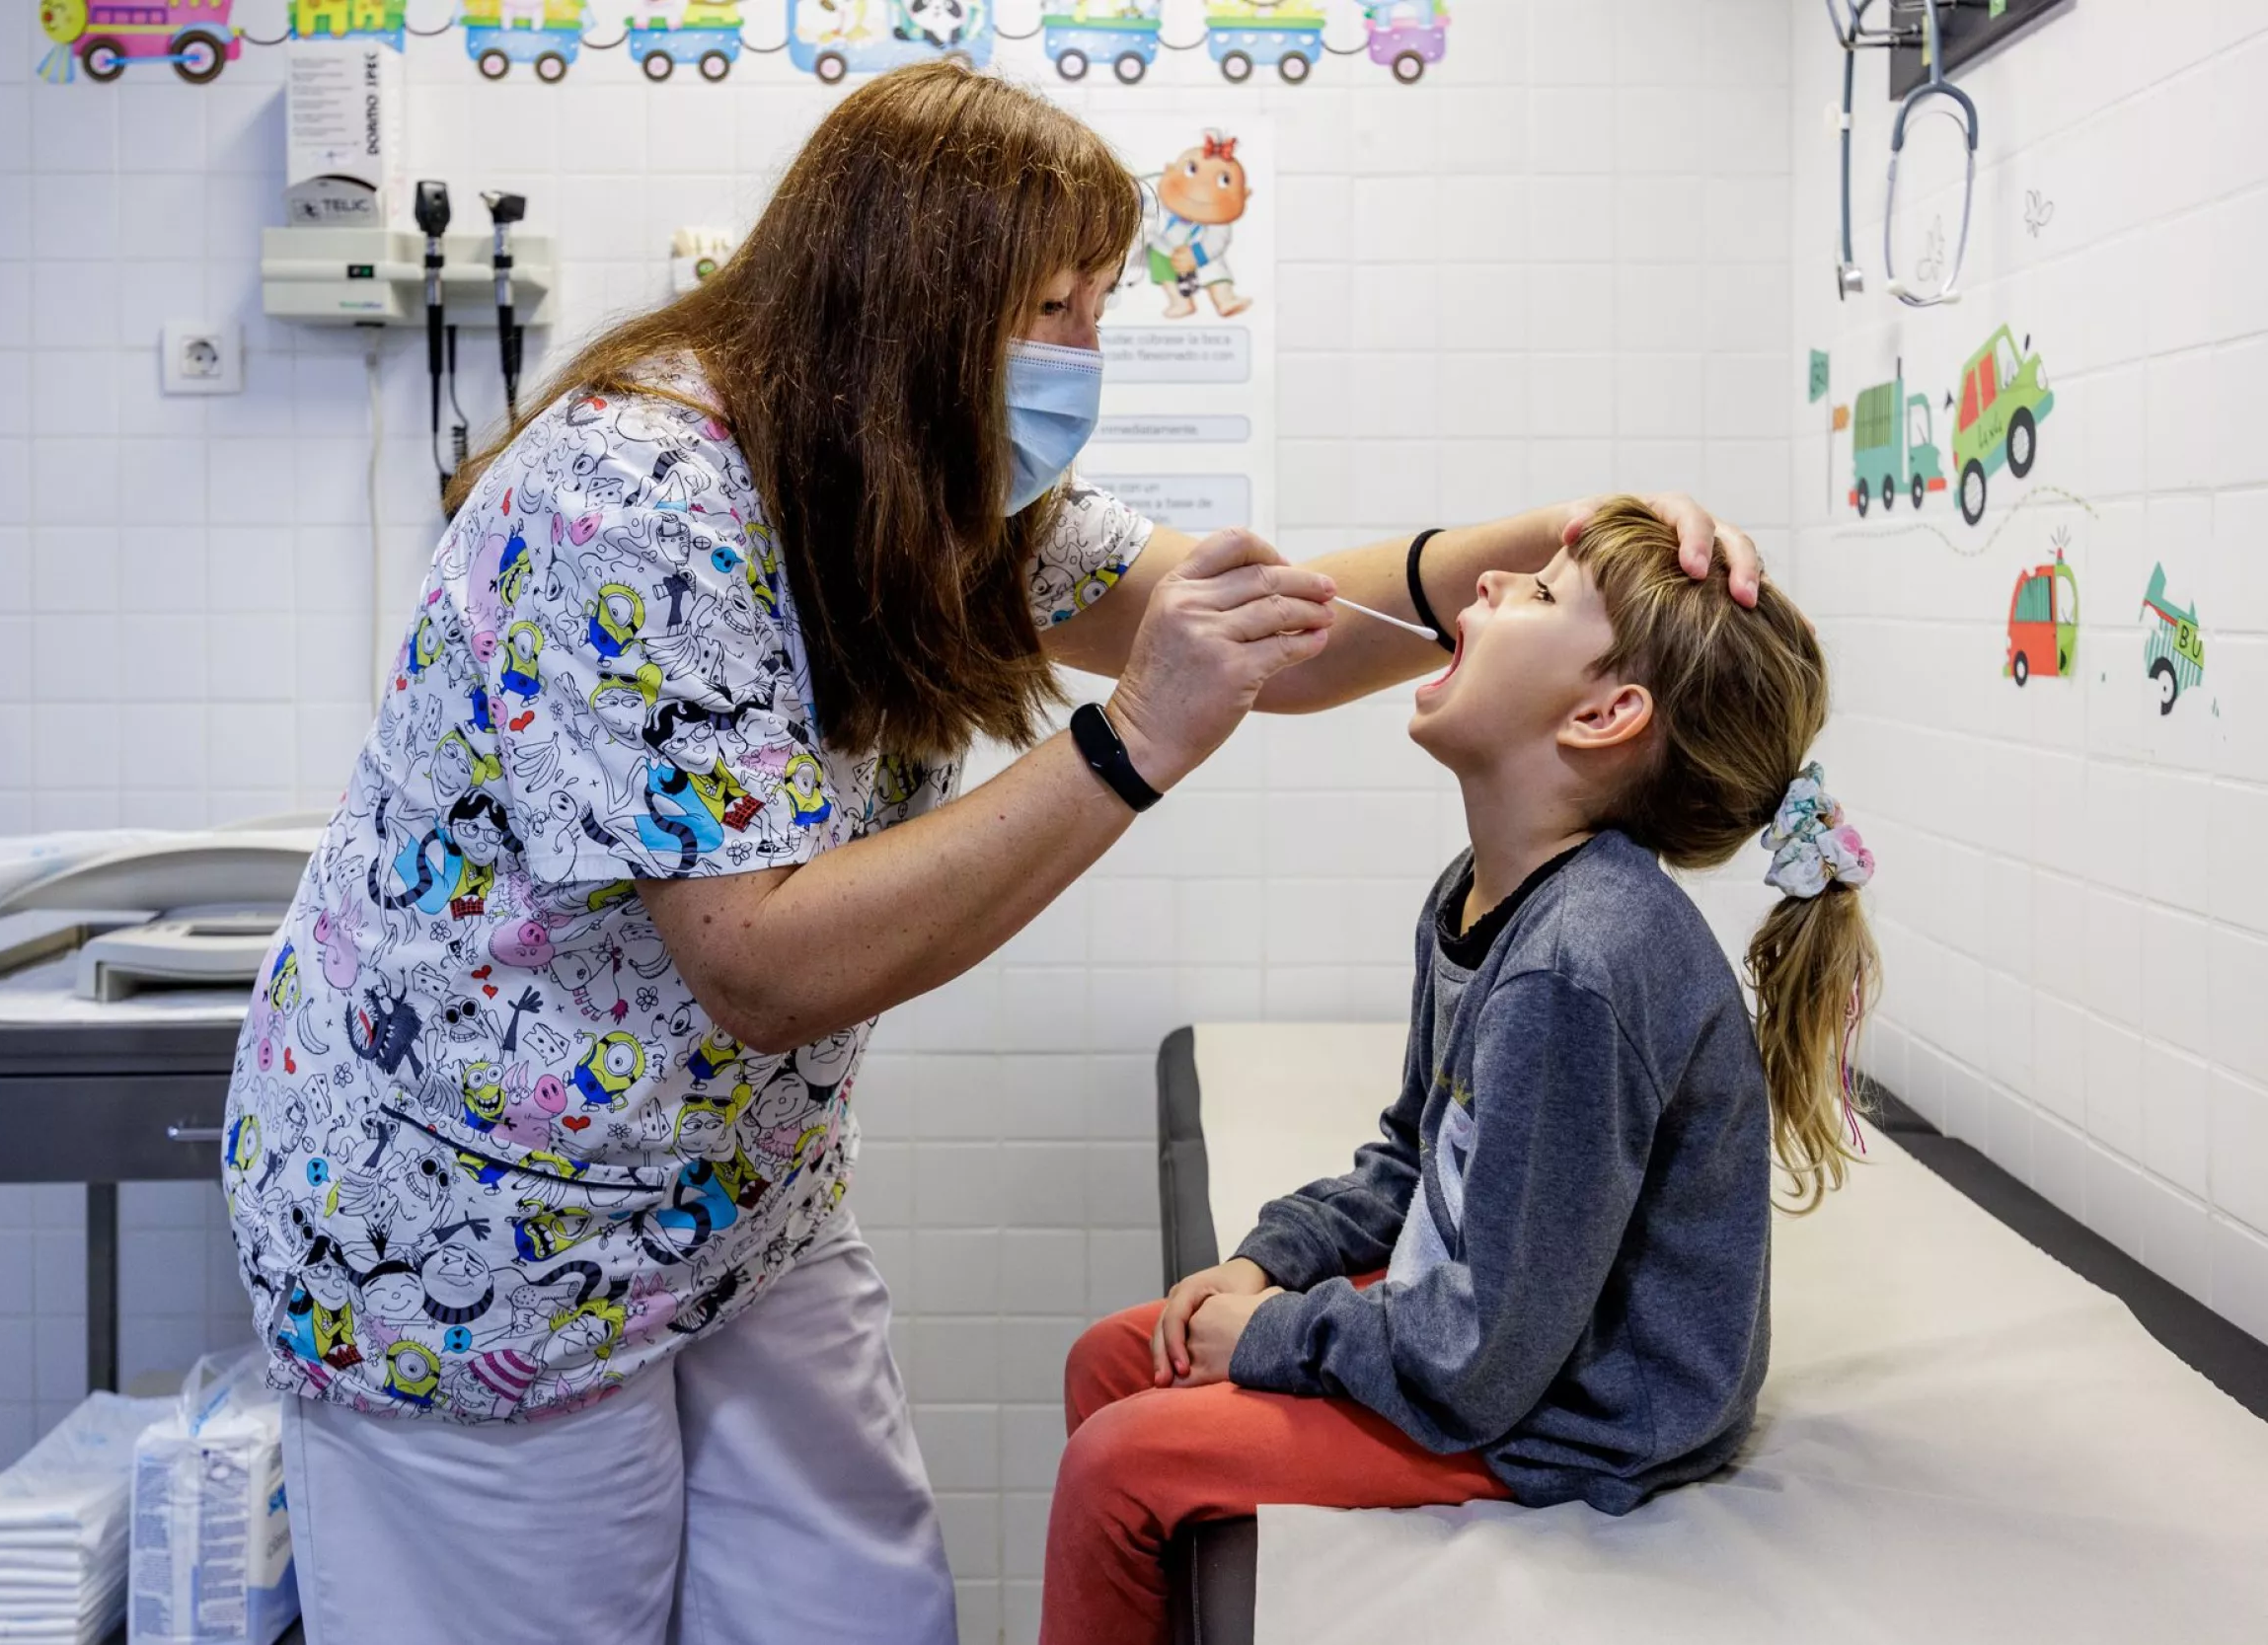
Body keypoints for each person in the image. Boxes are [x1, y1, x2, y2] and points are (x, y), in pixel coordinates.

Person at [220, 60, 1763, 1645]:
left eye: (1099, 305)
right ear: (912, 301)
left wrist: (1554, 536)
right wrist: (1123, 746)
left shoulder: (937, 486)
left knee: (866, 1611)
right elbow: (759, 960)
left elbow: (1275, 636)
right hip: (484, 1232)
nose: (1085, 358)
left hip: (733, 1206)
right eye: (1060, 308)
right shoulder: (638, 497)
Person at [1041, 497, 1877, 1643]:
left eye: (1533, 593)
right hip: (1507, 1331)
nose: (1482, 588)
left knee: (1121, 1464)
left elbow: (1482, 1360)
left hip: (1577, 1407)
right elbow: (1412, 1157)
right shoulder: (1478, 892)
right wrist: (1266, 1263)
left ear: (1604, 713)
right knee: (1118, 1356)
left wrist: (1280, 1334)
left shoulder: (1583, 962)